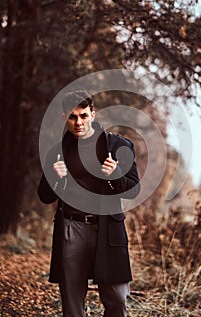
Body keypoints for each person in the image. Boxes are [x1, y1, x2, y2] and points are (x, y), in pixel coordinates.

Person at [38, 90, 140, 317]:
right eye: (73, 117)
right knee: (72, 301)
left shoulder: (119, 146)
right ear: (65, 116)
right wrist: (54, 177)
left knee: (117, 297)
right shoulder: (57, 151)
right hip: (71, 228)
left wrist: (114, 176)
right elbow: (45, 196)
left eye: (83, 115)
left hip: (107, 227)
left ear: (93, 114)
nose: (78, 122)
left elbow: (135, 189)